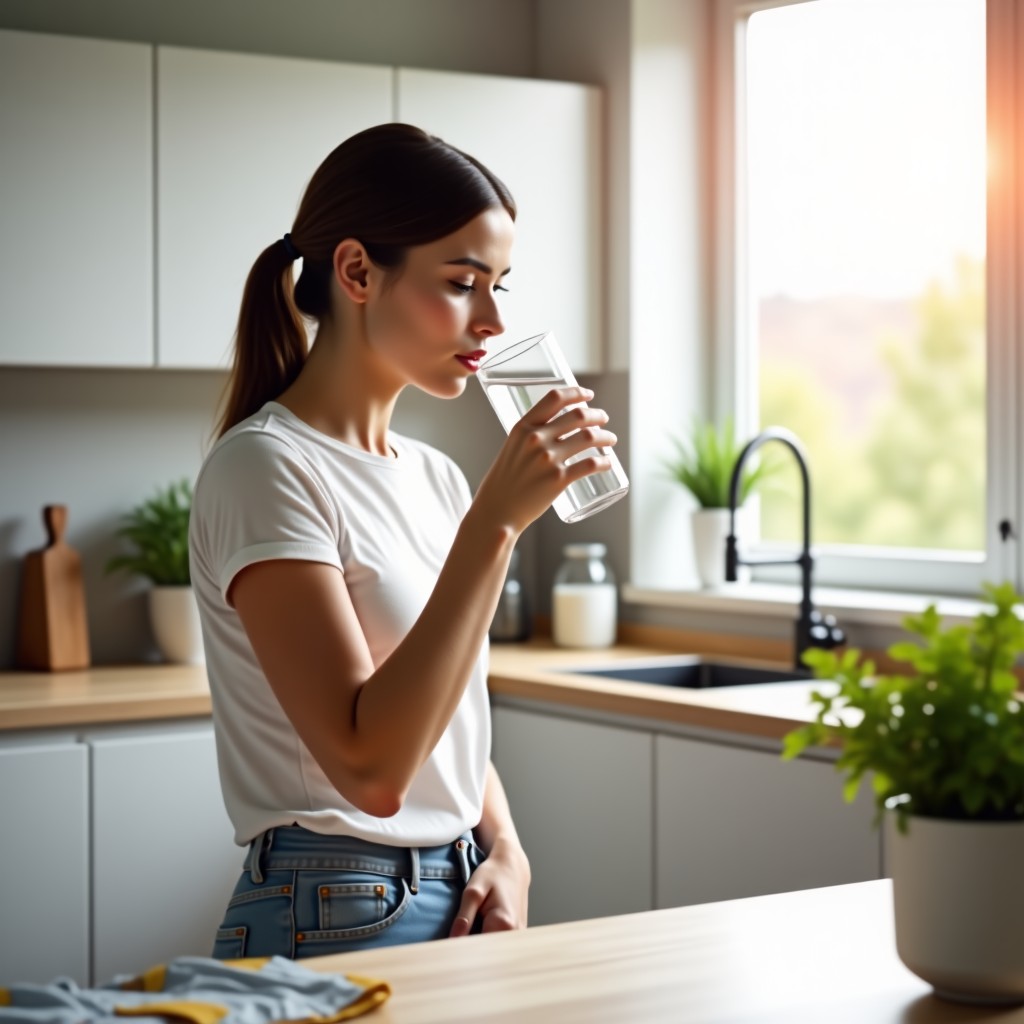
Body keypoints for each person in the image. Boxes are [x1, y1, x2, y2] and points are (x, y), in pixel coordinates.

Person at [189, 122, 618, 960]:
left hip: (457, 887)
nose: (492, 319)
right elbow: (371, 771)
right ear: (356, 271)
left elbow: (444, 711)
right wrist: (496, 525)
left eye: (499, 285)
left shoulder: (437, 476)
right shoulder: (266, 469)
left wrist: (506, 846)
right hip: (332, 904)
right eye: (463, 282)